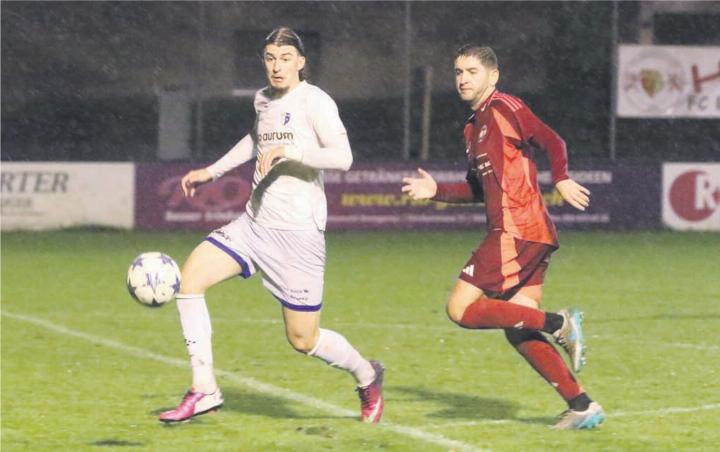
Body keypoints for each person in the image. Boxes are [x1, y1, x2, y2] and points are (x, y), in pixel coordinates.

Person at [159, 27, 384, 424]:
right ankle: (204, 388)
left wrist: (291, 152)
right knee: (189, 280)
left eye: (284, 58)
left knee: (303, 339)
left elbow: (344, 157)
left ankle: (367, 375)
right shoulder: (262, 99)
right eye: (269, 58)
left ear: (300, 62)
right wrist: (211, 172)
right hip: (254, 224)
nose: (276, 66)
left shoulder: (316, 101)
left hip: (298, 238)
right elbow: (256, 139)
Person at [401, 45, 604, 430]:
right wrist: (436, 192)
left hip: (518, 228)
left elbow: (552, 140)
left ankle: (560, 323)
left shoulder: (504, 107)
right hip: (529, 233)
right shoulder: (472, 128)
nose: (462, 78)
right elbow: (477, 190)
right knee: (518, 327)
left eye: (472, 71)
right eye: (458, 71)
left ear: (492, 76)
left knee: (459, 309)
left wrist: (560, 177)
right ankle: (582, 406)